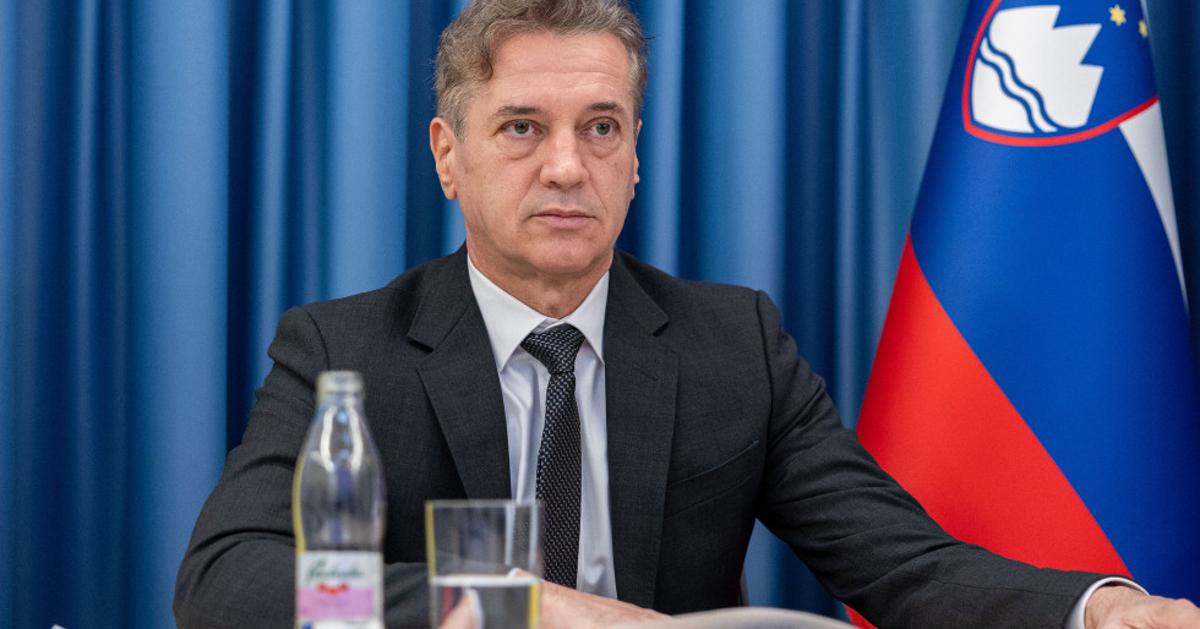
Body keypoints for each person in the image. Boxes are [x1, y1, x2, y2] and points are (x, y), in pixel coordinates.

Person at [174, 1, 1200, 627]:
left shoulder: (734, 343)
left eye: (601, 127)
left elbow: (901, 562)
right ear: (449, 155)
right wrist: (518, 608)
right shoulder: (344, 349)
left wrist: (1098, 606)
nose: (566, 165)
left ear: (635, 159)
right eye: (522, 127)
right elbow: (228, 583)